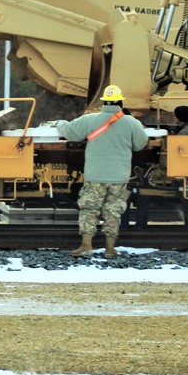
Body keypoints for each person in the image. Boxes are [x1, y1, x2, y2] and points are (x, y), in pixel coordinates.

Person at [56, 85, 148, 258]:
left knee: (90, 209)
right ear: (121, 102)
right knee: (113, 211)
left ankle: (86, 245)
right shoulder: (131, 122)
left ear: (104, 102)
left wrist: (59, 123)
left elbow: (71, 133)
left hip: (95, 175)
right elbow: (140, 143)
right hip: (119, 177)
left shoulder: (90, 119)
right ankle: (110, 249)